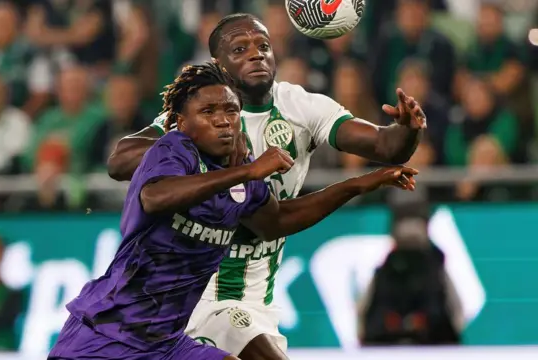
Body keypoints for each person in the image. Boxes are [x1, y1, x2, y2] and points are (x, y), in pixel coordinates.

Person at [107, 13, 426, 360]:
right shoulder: (202, 113)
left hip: (257, 299)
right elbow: (121, 160)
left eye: (263, 46)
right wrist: (193, 147)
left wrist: (408, 130)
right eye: (240, 48)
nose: (256, 54)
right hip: (197, 294)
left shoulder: (301, 107)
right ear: (219, 65)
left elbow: (385, 147)